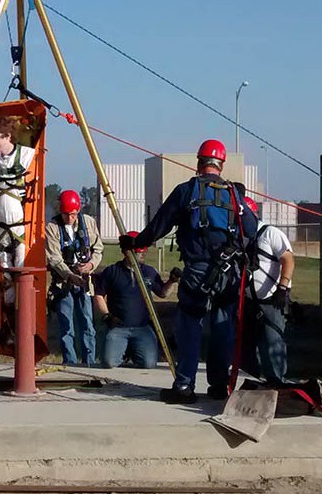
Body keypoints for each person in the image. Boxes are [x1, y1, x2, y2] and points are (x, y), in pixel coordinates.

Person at [119, 139, 257, 404]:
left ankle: (184, 385)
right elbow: (251, 231)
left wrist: (135, 243)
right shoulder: (234, 194)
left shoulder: (187, 191)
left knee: (189, 326)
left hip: (197, 272)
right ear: (222, 164)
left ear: (199, 162)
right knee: (222, 327)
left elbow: (159, 225)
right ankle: (219, 386)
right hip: (229, 273)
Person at [94, 231, 180, 369]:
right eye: (139, 252)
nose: (143, 255)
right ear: (127, 252)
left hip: (143, 328)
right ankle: (124, 351)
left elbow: (162, 293)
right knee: (109, 363)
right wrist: (107, 316)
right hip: (118, 328)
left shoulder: (149, 271)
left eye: (144, 252)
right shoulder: (112, 271)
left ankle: (134, 351)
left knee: (149, 364)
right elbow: (98, 296)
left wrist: (172, 281)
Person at [0, 116, 36, 307]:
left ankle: (24, 309)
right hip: (0, 226)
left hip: (20, 226)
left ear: (8, 136)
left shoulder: (26, 155)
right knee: (4, 269)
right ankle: (10, 314)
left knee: (20, 266)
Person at [45, 190, 103, 366]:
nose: (70, 218)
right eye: (66, 214)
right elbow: (54, 258)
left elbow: (98, 248)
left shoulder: (89, 223)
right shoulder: (52, 228)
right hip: (64, 283)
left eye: (73, 214)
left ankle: (89, 363)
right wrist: (70, 275)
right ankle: (69, 362)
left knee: (87, 323)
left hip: (85, 281)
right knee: (66, 324)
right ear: (60, 211)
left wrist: (91, 265)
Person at [242, 197, 295, 385]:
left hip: (271, 299)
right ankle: (259, 379)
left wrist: (282, 288)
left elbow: (288, 259)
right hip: (249, 301)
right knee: (250, 346)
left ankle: (277, 382)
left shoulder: (269, 233)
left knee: (272, 342)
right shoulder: (242, 237)